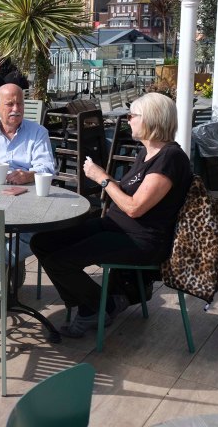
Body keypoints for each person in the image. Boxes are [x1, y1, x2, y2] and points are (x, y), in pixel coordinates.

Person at [31, 92, 191, 338]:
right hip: (115, 226)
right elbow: (128, 194)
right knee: (41, 242)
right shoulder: (146, 153)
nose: (128, 120)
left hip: (141, 240)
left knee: (59, 261)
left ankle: (98, 307)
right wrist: (106, 180)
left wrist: (102, 178)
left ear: (151, 119)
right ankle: (90, 304)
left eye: (132, 115)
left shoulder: (170, 158)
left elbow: (135, 207)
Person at [0, 83, 56, 281]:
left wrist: (29, 175)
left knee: (42, 235)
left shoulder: (38, 132)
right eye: (10, 104)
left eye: (20, 104)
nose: (16, 109)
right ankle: (9, 263)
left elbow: (48, 168)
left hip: (29, 203)